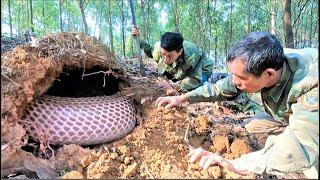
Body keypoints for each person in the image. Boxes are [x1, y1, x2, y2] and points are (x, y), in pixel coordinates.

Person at [155, 32, 318, 178]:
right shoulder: (261, 62)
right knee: (250, 127)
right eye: (233, 74)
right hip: (287, 115)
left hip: (310, 121)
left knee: (310, 165)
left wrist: (235, 164)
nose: (234, 81)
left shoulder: (310, 86)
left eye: (240, 77)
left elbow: (300, 147)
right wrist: (182, 98)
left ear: (269, 74)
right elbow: (219, 88)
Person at [132, 27, 225, 91]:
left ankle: (217, 77)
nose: (165, 59)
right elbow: (149, 51)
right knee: (171, 76)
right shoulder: (158, 49)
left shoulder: (192, 56)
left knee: (197, 88)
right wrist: (138, 38)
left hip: (202, 68)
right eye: (163, 54)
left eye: (169, 56)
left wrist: (173, 85)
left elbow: (194, 80)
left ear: (179, 52)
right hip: (180, 68)